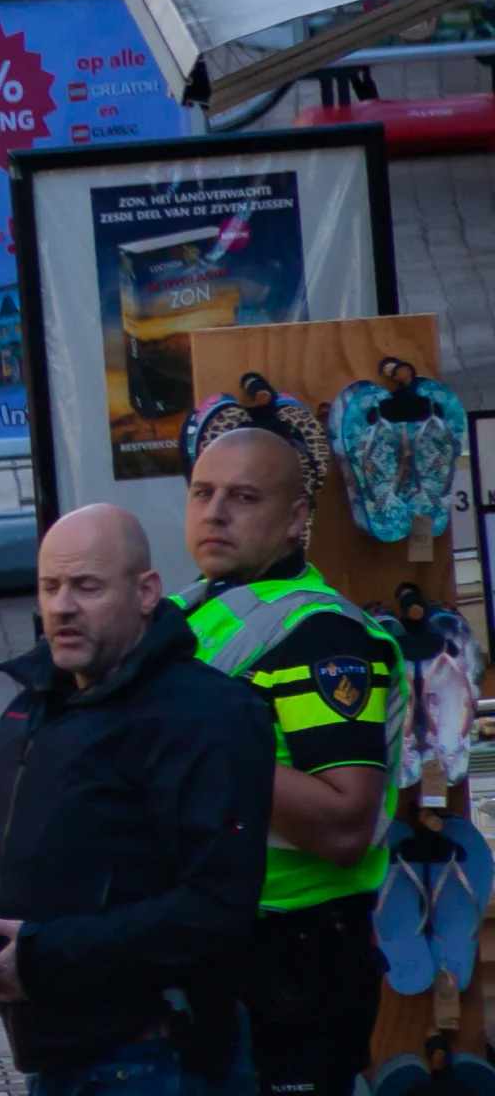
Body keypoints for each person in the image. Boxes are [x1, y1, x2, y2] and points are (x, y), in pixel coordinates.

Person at [0, 505, 275, 1096]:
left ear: (146, 592)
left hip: (153, 1058)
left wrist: (41, 958)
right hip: (59, 1059)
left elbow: (213, 907)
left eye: (86, 587)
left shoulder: (205, 716)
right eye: (50, 587)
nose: (62, 606)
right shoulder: (37, 702)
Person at [172, 413, 402, 1096]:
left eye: (244, 498)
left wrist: (189, 753)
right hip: (214, 946)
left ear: (296, 516)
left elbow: (344, 823)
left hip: (296, 959)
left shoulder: (320, 636)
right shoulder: (191, 613)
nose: (216, 513)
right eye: (202, 492)